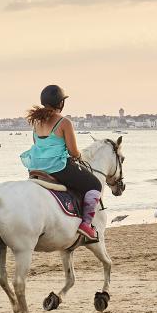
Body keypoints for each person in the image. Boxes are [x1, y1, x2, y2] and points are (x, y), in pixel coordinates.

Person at [21, 84, 103, 242]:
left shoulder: (37, 122)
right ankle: (86, 225)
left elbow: (38, 144)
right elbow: (73, 152)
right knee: (95, 185)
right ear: (61, 103)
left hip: (36, 167)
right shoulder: (64, 122)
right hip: (57, 167)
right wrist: (78, 156)